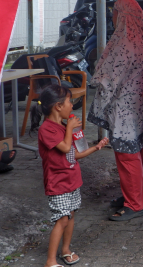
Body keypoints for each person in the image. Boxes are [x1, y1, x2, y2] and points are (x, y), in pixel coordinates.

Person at [88, 0, 143, 221]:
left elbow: (109, 79)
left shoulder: (124, 41)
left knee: (127, 155)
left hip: (125, 108)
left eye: (114, 12)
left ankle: (135, 203)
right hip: (140, 106)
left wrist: (99, 94)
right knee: (140, 149)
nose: (112, 17)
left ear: (121, 14)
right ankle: (136, 194)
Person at [33, 84, 108, 267]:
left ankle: (65, 250)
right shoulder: (47, 129)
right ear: (58, 106)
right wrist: (70, 129)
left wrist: (95, 148)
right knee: (62, 219)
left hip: (72, 179)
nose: (72, 106)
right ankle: (50, 261)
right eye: (69, 102)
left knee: (71, 216)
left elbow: (73, 153)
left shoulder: (63, 126)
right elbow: (65, 147)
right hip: (58, 182)